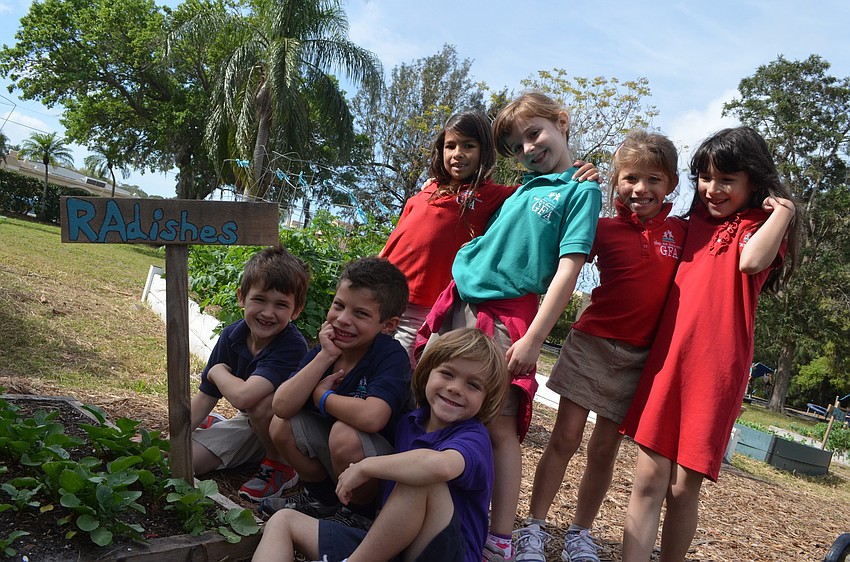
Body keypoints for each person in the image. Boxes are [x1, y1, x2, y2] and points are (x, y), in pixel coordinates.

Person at [416, 92, 603, 561]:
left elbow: (569, 268)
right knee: (434, 402)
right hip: (460, 300)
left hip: (507, 315)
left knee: (500, 424)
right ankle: (424, 504)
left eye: (534, 133)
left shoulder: (580, 189)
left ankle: (500, 536)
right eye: (517, 145)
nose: (528, 149)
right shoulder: (523, 187)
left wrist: (534, 338)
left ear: (561, 122)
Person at [619, 126, 799, 561]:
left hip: (716, 372)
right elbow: (634, 214)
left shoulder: (759, 228)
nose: (712, 189)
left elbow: (752, 260)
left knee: (682, 488)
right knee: (648, 478)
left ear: (753, 182)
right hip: (667, 363)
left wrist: (786, 211)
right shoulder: (688, 225)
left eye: (726, 180)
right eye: (705, 177)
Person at [515, 131, 687, 562]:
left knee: (605, 449)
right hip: (591, 344)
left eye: (653, 179)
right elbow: (562, 251)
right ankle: (534, 526)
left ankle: (580, 532)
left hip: (639, 357)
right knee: (566, 436)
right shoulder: (603, 227)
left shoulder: (681, 233)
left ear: (671, 184)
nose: (640, 189)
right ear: (615, 183)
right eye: (629, 178)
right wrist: (574, 180)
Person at [251, 327, 509, 562]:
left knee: (420, 478)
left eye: (473, 385)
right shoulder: (410, 422)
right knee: (282, 522)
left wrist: (365, 467)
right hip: (388, 547)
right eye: (447, 373)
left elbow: (439, 467)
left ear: (487, 400)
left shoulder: (473, 437)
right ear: (427, 373)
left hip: (446, 553)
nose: (455, 388)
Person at [381, 111, 594, 364]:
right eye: (450, 146)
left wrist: (580, 172)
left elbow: (540, 194)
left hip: (421, 305)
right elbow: (394, 241)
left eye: (468, 146)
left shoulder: (494, 195)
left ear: (485, 152)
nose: (457, 153)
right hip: (381, 294)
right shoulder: (428, 190)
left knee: (398, 370)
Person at [260, 256, 412, 528]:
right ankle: (323, 499)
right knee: (282, 425)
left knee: (345, 434)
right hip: (339, 461)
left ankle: (359, 515)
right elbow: (280, 405)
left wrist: (322, 398)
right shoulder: (326, 350)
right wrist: (325, 357)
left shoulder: (390, 355)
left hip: (381, 470)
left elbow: (373, 418)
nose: (343, 320)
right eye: (339, 306)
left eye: (361, 313)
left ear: (388, 325)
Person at [190, 246, 309, 502]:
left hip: (289, 430)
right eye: (260, 300)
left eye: (281, 305)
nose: (268, 313)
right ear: (242, 297)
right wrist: (169, 439)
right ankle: (224, 426)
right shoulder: (232, 335)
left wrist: (217, 371)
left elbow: (244, 398)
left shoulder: (291, 345)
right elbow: (205, 397)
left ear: (296, 310)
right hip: (253, 421)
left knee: (263, 404)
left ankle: (281, 466)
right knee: (183, 458)